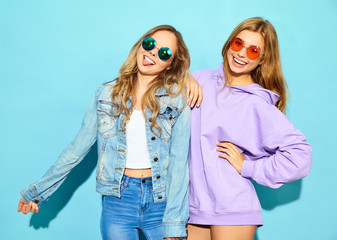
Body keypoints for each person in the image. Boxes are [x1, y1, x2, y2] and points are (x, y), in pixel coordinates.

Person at [18, 25, 199, 240]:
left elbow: (179, 166)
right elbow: (76, 149)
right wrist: (38, 192)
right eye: (150, 44)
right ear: (140, 45)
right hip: (118, 200)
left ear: (170, 65)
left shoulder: (177, 101)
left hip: (162, 202)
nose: (152, 53)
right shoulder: (106, 94)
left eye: (164, 53)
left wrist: (174, 223)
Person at [187, 17, 312, 240]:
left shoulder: (257, 103)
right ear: (229, 44)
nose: (242, 54)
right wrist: (182, 76)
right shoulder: (200, 80)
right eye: (238, 44)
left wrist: (248, 168)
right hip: (192, 205)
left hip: (233, 207)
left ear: (263, 59)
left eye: (253, 50)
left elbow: (300, 156)